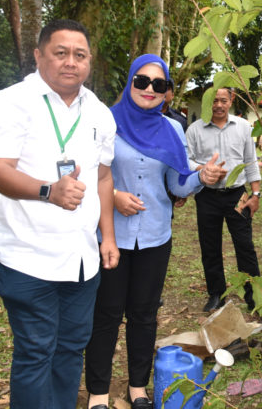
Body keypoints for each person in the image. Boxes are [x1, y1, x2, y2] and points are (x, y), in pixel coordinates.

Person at [0, 19, 119, 409]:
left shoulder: (100, 113)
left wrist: (108, 236)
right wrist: (48, 191)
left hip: (81, 258)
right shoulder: (9, 103)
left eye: (80, 55)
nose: (70, 62)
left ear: (90, 62)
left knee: (72, 346)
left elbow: (104, 176)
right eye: (61, 52)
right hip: (26, 254)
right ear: (39, 56)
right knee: (37, 349)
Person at [84, 55, 225, 409]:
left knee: (144, 315)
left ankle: (138, 388)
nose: (149, 89)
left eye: (158, 85)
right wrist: (113, 196)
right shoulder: (106, 123)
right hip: (109, 236)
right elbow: (86, 174)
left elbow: (177, 184)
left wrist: (201, 178)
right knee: (107, 315)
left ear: (166, 93)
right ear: (130, 83)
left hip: (155, 236)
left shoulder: (172, 129)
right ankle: (98, 393)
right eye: (142, 81)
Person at [185, 87, 262, 312]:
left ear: (230, 101)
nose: (218, 105)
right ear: (208, 102)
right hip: (207, 195)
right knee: (210, 246)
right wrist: (203, 168)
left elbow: (251, 161)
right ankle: (216, 294)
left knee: (245, 245)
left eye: (223, 100)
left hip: (237, 194)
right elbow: (187, 160)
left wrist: (256, 194)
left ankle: (254, 297)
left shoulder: (243, 127)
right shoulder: (194, 129)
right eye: (214, 101)